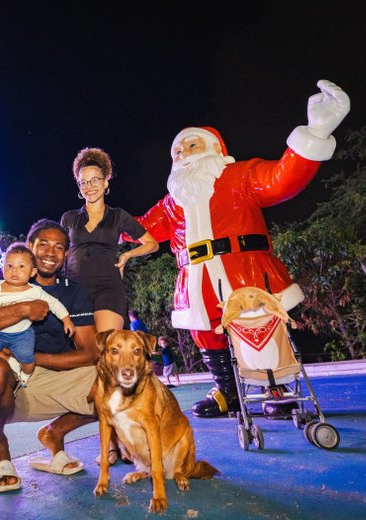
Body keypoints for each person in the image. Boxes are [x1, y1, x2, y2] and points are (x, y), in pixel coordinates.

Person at [135, 80, 350, 417]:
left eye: (191, 146)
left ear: (214, 148)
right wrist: (98, 220)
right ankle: (228, 391)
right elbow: (137, 231)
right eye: (177, 151)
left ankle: (274, 388)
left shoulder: (239, 175)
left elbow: (282, 179)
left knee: (261, 326)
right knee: (207, 336)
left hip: (246, 271)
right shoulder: (171, 202)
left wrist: (316, 132)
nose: (183, 154)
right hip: (196, 280)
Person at [0, 219, 98, 493]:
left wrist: (31, 358)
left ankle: (55, 433)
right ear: (29, 246)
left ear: (66, 255)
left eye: (59, 247)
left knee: (119, 385)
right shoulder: (1, 282)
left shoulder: (72, 292)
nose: (51, 252)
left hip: (54, 375)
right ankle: (0, 452)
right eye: (43, 244)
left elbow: (90, 351)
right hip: (10, 380)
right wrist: (22, 309)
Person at [60, 147, 158, 332]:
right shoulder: (69, 218)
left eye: (95, 180)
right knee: (85, 353)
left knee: (107, 345)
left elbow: (152, 244)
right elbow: (60, 252)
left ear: (105, 182)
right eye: (84, 182)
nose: (89, 186)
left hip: (108, 287)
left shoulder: (118, 215)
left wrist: (127, 255)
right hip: (75, 290)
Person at [0, 243, 75, 388]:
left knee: (27, 361)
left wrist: (66, 320)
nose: (14, 270)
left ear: (33, 272)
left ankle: (26, 374)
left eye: (21, 266)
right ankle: (12, 363)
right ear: (3, 268)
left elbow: (54, 304)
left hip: (22, 335)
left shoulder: (35, 291)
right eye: (9, 266)